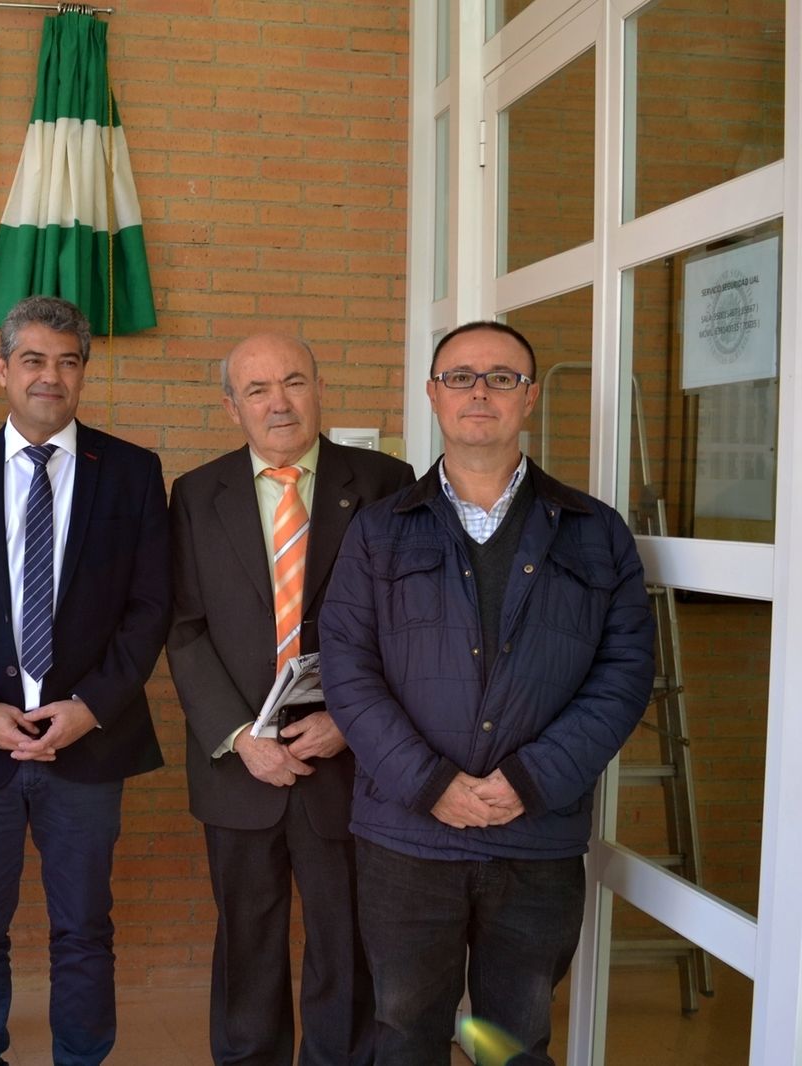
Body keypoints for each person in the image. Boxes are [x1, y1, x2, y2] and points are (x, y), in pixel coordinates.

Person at [320, 321, 656, 1065]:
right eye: (461, 377)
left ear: (528, 398)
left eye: (501, 377)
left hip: (535, 838)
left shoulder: (595, 534)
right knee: (404, 1029)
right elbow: (347, 667)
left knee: (518, 1039)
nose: (481, 391)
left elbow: (625, 672)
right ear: (435, 396)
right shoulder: (380, 532)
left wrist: (531, 780)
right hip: (408, 838)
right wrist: (431, 783)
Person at [0, 295, 170, 1066]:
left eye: (67, 361)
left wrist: (91, 707)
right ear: (3, 370)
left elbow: (151, 608)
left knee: (84, 927)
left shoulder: (132, 472)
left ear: (82, 372)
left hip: (87, 745)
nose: (49, 376)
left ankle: (80, 1057)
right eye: (33, 359)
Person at [168, 332, 413, 1066]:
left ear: (319, 385)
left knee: (348, 942)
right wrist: (241, 735)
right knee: (247, 940)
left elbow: (408, 624)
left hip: (348, 761)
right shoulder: (195, 493)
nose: (279, 402)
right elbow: (183, 631)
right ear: (231, 406)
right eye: (257, 390)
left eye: (294, 382)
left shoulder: (384, 481)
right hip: (239, 765)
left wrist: (350, 719)